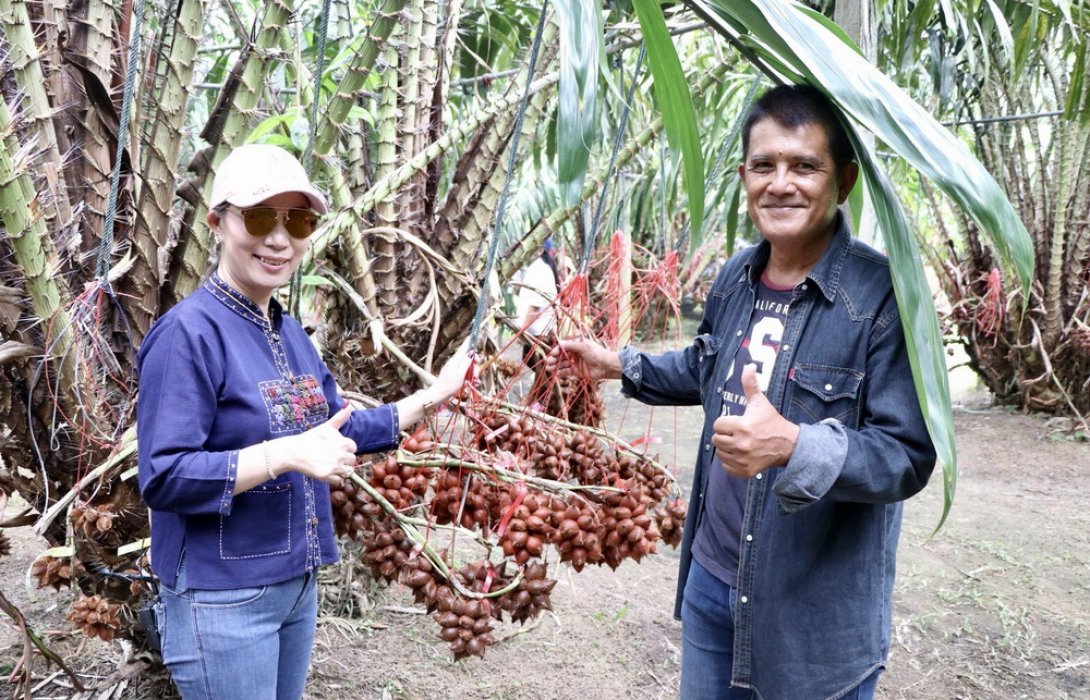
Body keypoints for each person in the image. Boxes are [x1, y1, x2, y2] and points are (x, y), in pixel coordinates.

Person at [547, 85, 937, 700]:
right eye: (765, 165)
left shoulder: (883, 298)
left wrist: (793, 445)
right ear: (744, 176)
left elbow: (907, 456)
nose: (782, 183)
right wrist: (616, 363)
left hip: (811, 614)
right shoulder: (736, 277)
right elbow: (706, 366)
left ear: (846, 179)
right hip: (712, 582)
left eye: (805, 165)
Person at [136, 144, 471, 700]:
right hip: (223, 600)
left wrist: (434, 397)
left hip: (295, 588)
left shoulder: (287, 332)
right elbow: (165, 476)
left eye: (298, 220)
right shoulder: (188, 334)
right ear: (218, 222)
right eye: (261, 217)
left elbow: (332, 429)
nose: (279, 239)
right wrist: (285, 455)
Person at [515, 238, 561, 366]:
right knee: (542, 374)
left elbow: (535, 306)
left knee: (540, 370)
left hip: (538, 335)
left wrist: (521, 332)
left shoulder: (539, 268)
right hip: (541, 332)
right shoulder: (542, 267)